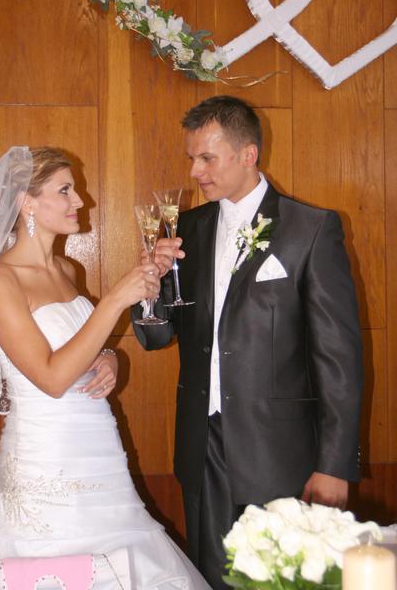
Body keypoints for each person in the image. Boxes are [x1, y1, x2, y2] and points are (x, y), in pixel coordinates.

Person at [0, 146, 211, 589]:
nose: (80, 201)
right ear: (26, 203)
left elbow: (80, 346)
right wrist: (115, 299)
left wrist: (110, 358)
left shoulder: (67, 270)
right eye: (65, 190)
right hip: (45, 459)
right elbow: (52, 378)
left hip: (100, 452)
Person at [132, 95, 364, 590]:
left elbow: (338, 359)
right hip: (202, 447)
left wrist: (335, 465)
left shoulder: (311, 229)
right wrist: (150, 284)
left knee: (283, 581)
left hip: (282, 455)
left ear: (248, 154)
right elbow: (156, 337)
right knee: (211, 578)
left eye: (206, 158)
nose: (194, 171)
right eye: (191, 157)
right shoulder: (188, 230)